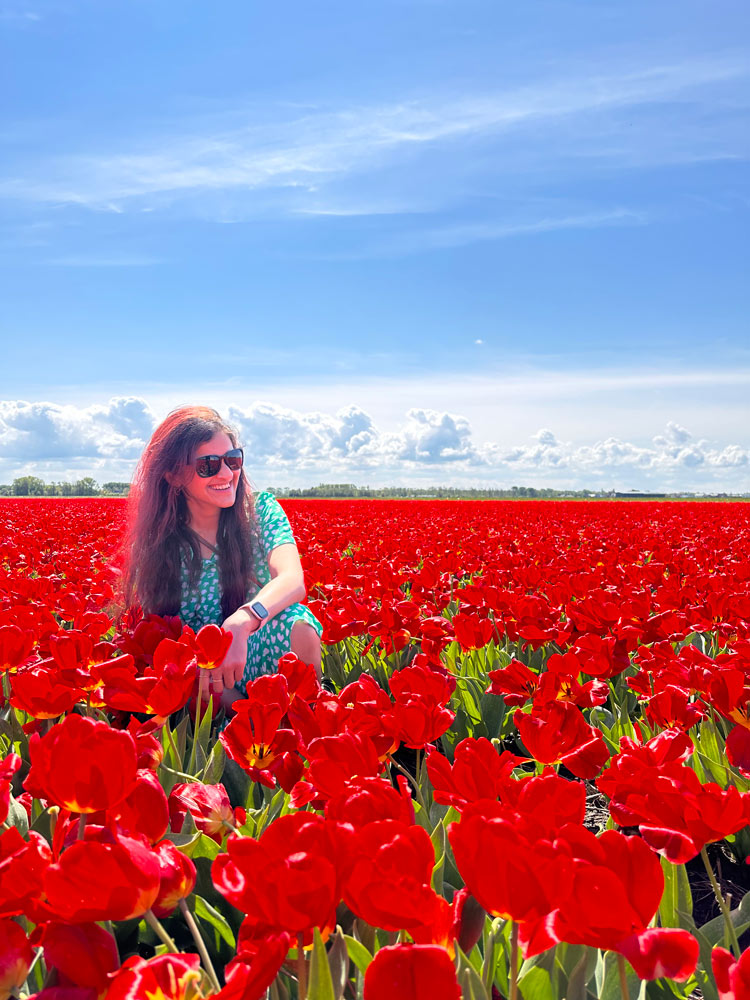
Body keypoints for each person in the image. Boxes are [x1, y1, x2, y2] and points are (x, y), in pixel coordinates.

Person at [121, 405, 322, 709]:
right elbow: (165, 639)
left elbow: (293, 580)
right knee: (178, 666)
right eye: (208, 465)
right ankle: (249, 727)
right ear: (174, 475)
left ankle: (307, 719)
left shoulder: (260, 512)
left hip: (254, 649)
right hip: (203, 678)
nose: (227, 474)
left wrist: (242, 622)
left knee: (299, 625)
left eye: (233, 460)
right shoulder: (160, 543)